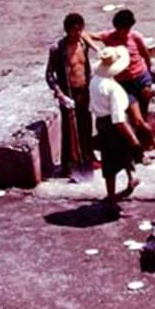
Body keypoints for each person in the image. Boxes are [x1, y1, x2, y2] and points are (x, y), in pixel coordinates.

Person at [84, 8, 155, 161]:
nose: (124, 32)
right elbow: (86, 34)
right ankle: (153, 146)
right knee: (138, 120)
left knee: (143, 116)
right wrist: (97, 48)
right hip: (125, 85)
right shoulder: (108, 37)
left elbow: (145, 55)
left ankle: (147, 144)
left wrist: (149, 76)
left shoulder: (135, 37)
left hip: (141, 79)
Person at [45, 12, 95, 182]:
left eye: (80, 30)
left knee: (86, 127)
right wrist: (60, 95)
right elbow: (49, 75)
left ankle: (88, 160)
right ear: (68, 31)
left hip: (84, 93)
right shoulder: (58, 49)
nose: (78, 34)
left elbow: (86, 68)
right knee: (70, 132)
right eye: (75, 31)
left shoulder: (84, 44)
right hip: (68, 93)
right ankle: (69, 166)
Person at [89, 46, 141, 208]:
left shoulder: (95, 81)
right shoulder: (114, 89)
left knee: (109, 159)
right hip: (114, 126)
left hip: (101, 123)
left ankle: (115, 191)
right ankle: (113, 197)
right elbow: (118, 119)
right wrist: (133, 139)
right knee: (121, 154)